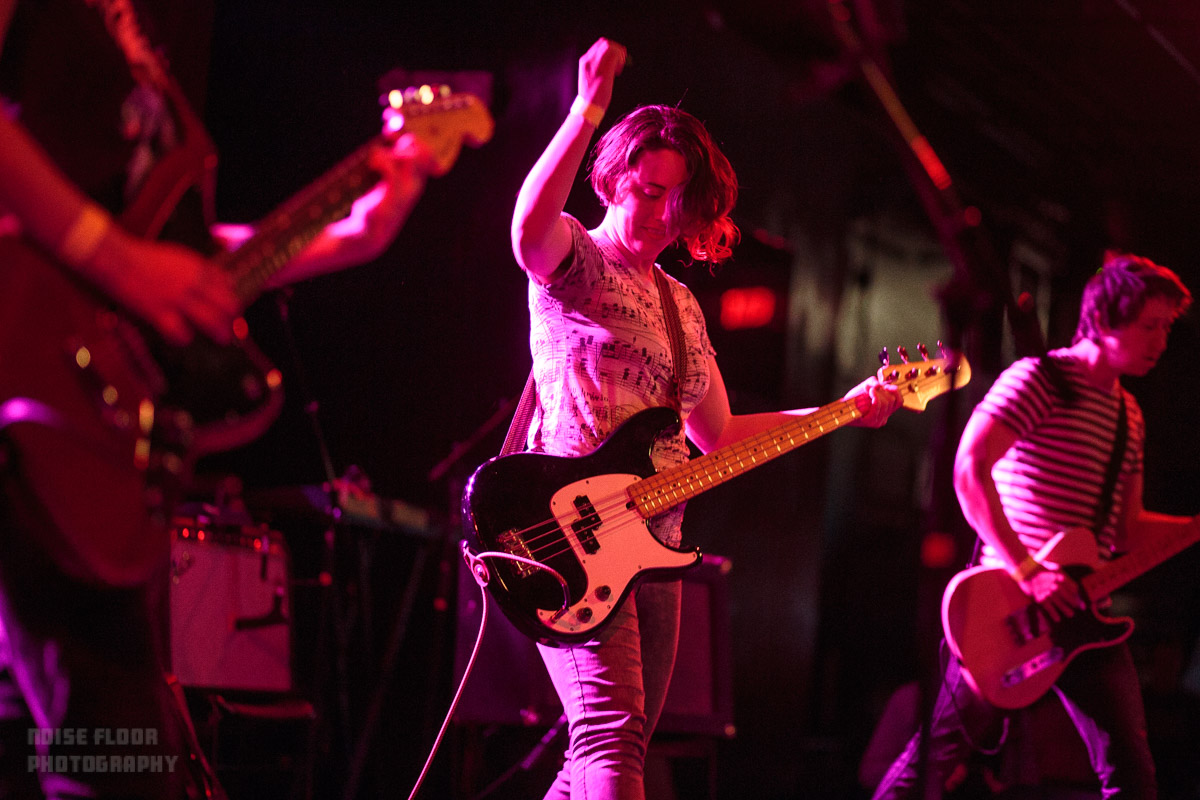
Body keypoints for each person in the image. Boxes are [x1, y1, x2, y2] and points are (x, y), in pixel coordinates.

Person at [0, 1, 435, 796]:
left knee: (85, 751)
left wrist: (355, 234)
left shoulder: (129, 35)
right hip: (25, 361)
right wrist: (118, 261)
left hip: (86, 414)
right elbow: (120, 251)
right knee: (117, 758)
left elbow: (176, 252)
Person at [509, 36, 903, 800]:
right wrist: (586, 109)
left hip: (656, 547)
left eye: (679, 201)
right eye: (648, 191)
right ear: (613, 179)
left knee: (604, 748)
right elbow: (528, 228)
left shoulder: (680, 303)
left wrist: (842, 412)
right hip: (576, 537)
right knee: (612, 738)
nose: (663, 215)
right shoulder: (578, 261)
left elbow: (718, 435)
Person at [871, 251, 1196, 799]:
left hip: (1082, 615)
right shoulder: (1040, 379)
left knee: (1133, 772)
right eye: (1149, 326)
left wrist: (1190, 527)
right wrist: (1028, 570)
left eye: (1167, 327)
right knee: (932, 761)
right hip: (1006, 607)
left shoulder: (1129, 414)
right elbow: (969, 471)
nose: (1161, 341)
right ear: (1104, 318)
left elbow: (1125, 531)